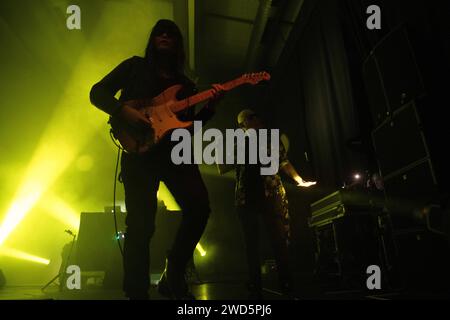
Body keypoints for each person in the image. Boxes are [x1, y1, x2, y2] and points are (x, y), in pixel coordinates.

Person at [90, 19, 222, 300]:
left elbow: (188, 130)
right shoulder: (134, 67)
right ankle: (136, 292)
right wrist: (123, 112)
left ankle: (173, 270)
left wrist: (209, 109)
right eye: (159, 32)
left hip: (176, 153)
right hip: (139, 154)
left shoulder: (185, 85)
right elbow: (96, 92)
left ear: (178, 43)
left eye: (171, 33)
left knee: (199, 209)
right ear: (152, 39)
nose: (164, 35)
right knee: (140, 224)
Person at [218, 109, 316, 299]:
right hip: (246, 197)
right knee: (251, 244)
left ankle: (286, 282)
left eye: (257, 116)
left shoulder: (271, 138)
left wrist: (299, 180)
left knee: (279, 240)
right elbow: (222, 167)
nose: (258, 118)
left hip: (270, 194)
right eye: (253, 117)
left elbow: (284, 163)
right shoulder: (236, 143)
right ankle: (256, 284)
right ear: (243, 123)